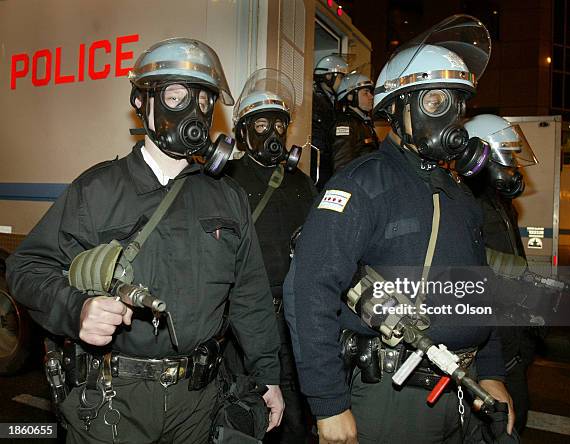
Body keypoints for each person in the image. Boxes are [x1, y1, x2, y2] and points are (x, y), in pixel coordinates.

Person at [6, 38, 283, 443]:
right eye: (175, 95)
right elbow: (26, 268)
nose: (193, 110)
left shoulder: (227, 196)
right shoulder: (97, 190)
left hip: (200, 400)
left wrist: (267, 376)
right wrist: (77, 310)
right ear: (143, 102)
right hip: (114, 400)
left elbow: (250, 296)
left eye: (204, 101)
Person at [284, 15, 514, 444]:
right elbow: (308, 290)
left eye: (458, 103)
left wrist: (493, 373)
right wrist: (329, 404)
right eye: (434, 102)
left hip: (464, 391)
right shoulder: (362, 184)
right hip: (395, 397)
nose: (451, 117)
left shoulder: (462, 195)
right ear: (399, 107)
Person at [224, 68, 317, 443]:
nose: (273, 134)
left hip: (292, 314)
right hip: (242, 318)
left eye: (279, 126)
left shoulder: (301, 183)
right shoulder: (224, 178)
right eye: (261, 124)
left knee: (292, 403)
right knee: (242, 402)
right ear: (243, 132)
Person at [464, 113, 540, 434]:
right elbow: (469, 262)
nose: (513, 168)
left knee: (516, 416)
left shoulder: (500, 203)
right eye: (506, 157)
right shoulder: (466, 201)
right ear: (481, 157)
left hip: (511, 328)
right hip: (489, 331)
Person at [311, 54, 348, 190]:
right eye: (341, 77)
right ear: (328, 76)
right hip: (320, 166)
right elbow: (318, 138)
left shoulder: (331, 100)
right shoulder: (315, 101)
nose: (344, 82)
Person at [330, 72, 379, 172]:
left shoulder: (363, 123)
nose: (371, 96)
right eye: (366, 92)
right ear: (351, 96)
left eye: (370, 92)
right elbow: (341, 165)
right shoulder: (345, 124)